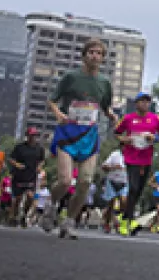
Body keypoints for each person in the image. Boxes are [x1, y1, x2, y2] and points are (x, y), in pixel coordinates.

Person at [41, 38, 117, 240]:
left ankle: (70, 221)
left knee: (85, 181)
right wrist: (58, 114)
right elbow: (51, 100)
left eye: (99, 53)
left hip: (89, 135)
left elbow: (105, 106)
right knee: (65, 180)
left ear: (103, 58)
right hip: (68, 133)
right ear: (84, 55)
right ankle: (51, 204)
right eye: (91, 52)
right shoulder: (71, 77)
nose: (95, 56)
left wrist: (111, 115)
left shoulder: (104, 83)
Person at [114, 91, 159, 236]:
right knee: (133, 187)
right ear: (136, 104)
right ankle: (126, 220)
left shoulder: (155, 119)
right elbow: (117, 133)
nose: (145, 104)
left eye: (147, 101)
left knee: (140, 190)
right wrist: (125, 139)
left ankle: (128, 217)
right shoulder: (128, 118)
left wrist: (153, 138)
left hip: (146, 158)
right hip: (131, 158)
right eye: (142, 101)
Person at [8, 127, 46, 228]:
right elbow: (11, 159)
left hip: (31, 176)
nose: (33, 137)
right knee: (18, 198)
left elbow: (42, 160)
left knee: (30, 197)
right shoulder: (20, 147)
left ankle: (24, 216)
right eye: (31, 135)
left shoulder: (39, 149)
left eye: (35, 135)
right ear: (27, 136)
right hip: (19, 176)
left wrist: (39, 166)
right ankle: (14, 217)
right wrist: (17, 165)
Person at [101, 141, 128, 234]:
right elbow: (104, 166)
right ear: (121, 146)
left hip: (124, 183)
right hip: (112, 182)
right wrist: (113, 167)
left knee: (124, 202)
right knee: (110, 205)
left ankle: (119, 222)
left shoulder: (131, 156)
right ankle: (107, 224)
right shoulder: (114, 154)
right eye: (125, 145)